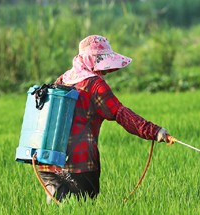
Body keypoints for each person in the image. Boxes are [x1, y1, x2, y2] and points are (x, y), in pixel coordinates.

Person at [37, 35, 172, 202]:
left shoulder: (63, 79)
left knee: (56, 213)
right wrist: (154, 131)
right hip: (80, 163)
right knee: (84, 213)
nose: (106, 70)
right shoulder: (95, 85)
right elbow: (120, 113)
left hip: (49, 160)